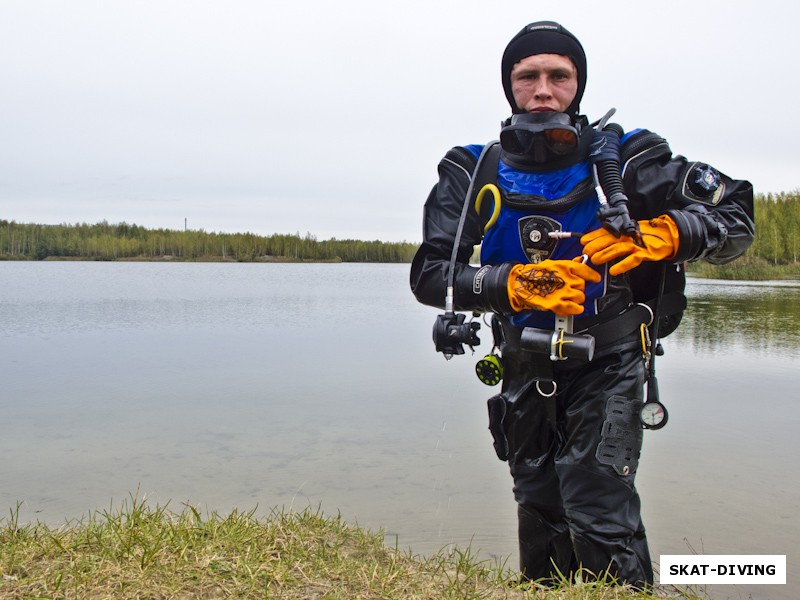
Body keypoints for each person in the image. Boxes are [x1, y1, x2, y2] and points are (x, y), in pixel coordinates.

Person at [409, 21, 754, 589]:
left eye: (558, 76)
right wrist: (510, 284)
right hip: (522, 361)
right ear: (509, 86)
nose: (543, 90)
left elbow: (737, 212)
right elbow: (429, 276)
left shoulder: (631, 159)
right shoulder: (472, 169)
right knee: (538, 504)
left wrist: (667, 233)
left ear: (578, 85)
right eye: (528, 76)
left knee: (597, 504)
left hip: (610, 358)